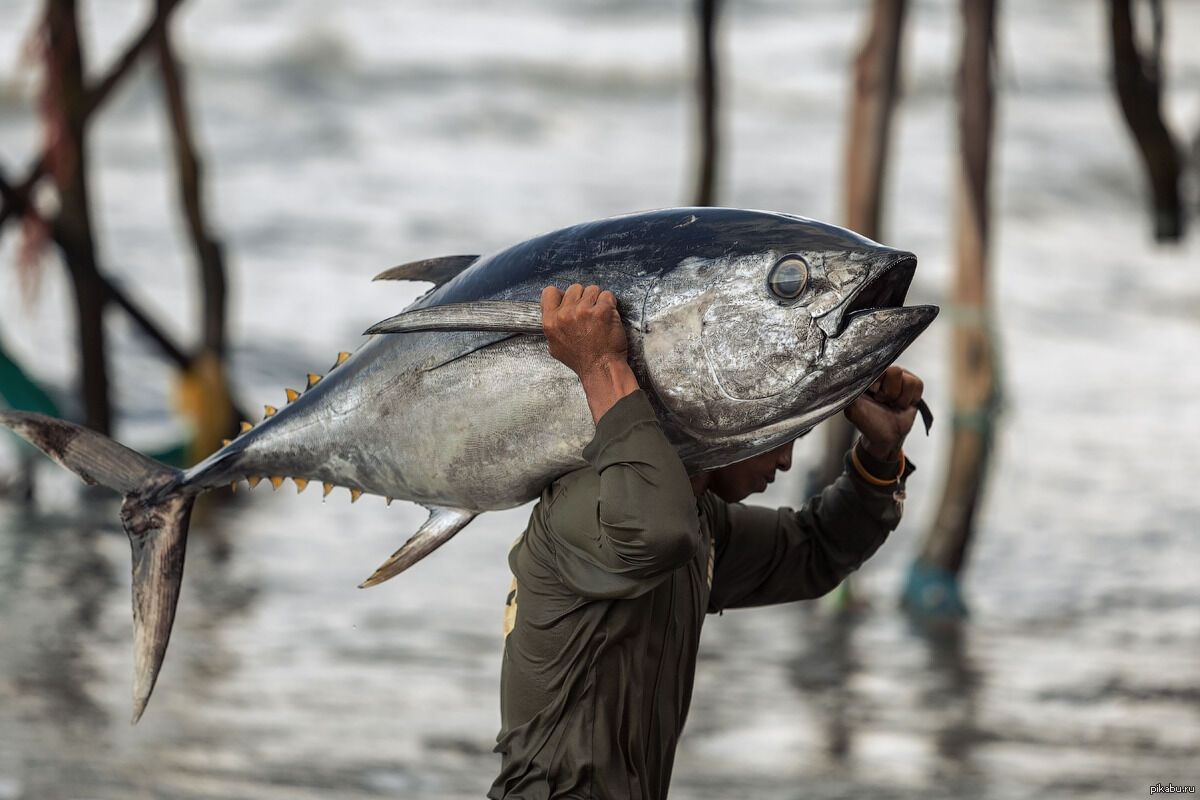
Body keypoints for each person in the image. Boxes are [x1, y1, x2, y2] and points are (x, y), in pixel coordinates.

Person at [489, 283, 924, 800]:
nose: (784, 461)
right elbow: (658, 533)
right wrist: (600, 366)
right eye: (777, 435)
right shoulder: (592, 504)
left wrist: (880, 455)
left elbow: (816, 551)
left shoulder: (697, 519)